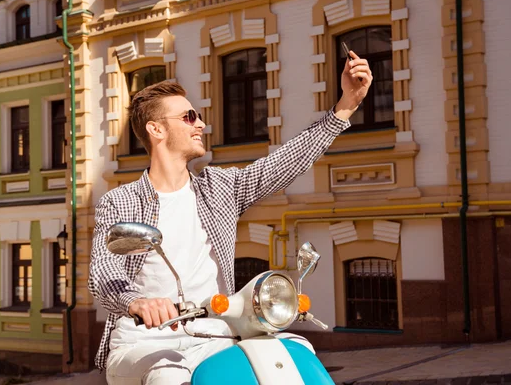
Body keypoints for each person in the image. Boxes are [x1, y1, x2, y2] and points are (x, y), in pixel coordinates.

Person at [88, 49, 373, 384]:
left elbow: (282, 164)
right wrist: (137, 302)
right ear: (157, 129)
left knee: (293, 353)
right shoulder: (120, 201)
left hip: (214, 336)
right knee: (168, 374)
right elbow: (104, 272)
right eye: (189, 117)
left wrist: (346, 106)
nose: (201, 124)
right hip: (146, 342)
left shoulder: (219, 188)